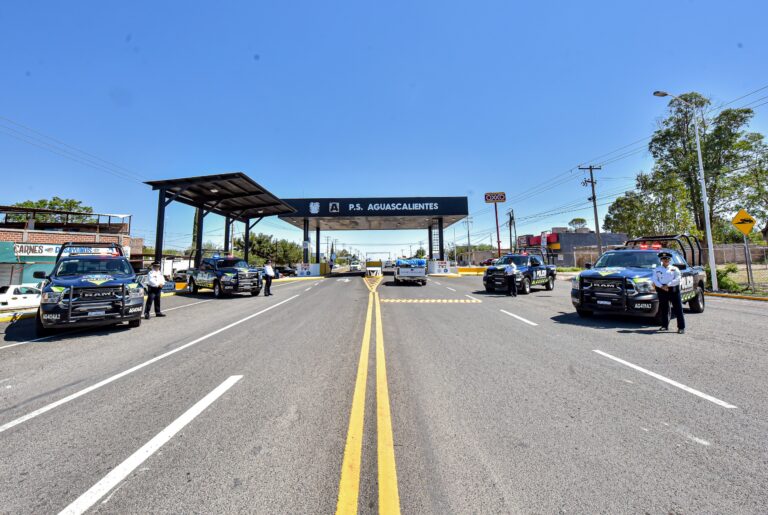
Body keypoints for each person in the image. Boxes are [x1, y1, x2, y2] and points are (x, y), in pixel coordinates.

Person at [653, 251, 685, 334]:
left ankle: (681, 327)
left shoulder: (675, 269)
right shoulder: (657, 269)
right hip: (662, 290)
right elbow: (655, 280)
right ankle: (664, 326)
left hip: (673, 291)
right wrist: (661, 286)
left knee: (678, 310)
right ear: (661, 260)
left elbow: (678, 279)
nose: (666, 260)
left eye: (667, 259)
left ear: (670, 260)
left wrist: (668, 285)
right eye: (664, 259)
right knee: (664, 309)